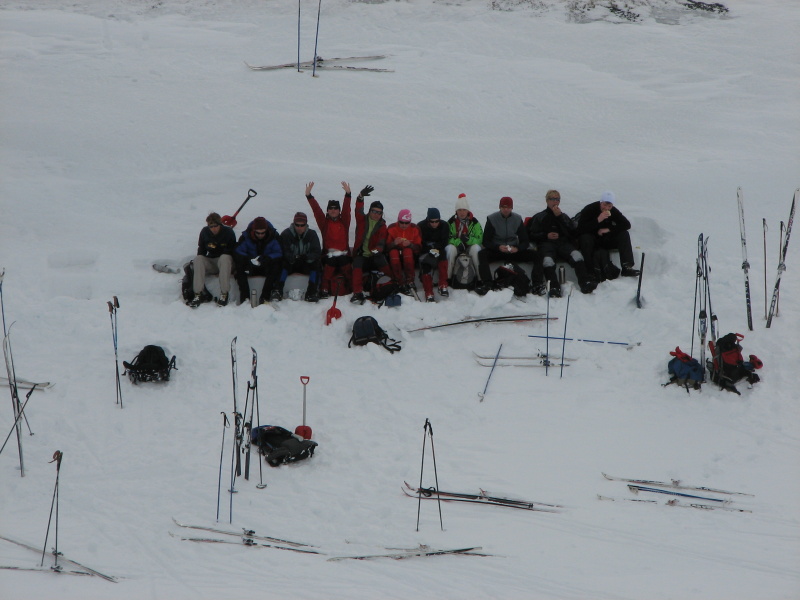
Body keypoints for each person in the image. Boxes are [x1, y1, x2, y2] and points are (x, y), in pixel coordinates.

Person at [527, 190, 598, 296]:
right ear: (547, 201)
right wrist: (546, 235)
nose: (555, 202)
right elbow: (530, 234)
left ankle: (585, 282)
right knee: (547, 261)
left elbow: (574, 232)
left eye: (557, 199)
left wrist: (560, 217)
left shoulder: (563, 216)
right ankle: (554, 287)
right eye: (552, 199)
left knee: (577, 255)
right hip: (546, 244)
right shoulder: (539, 217)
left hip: (563, 243)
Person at [482, 196, 545, 297]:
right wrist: (498, 247)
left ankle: (537, 284)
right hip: (498, 250)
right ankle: (487, 283)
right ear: (500, 207)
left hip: (513, 250)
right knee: (482, 255)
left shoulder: (517, 219)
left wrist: (518, 248)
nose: (506, 209)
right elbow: (485, 241)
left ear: (512, 208)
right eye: (503, 207)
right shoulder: (492, 219)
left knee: (537, 255)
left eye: (508, 207)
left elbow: (525, 241)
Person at [576, 191, 640, 280]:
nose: (606, 208)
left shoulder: (613, 211)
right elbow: (580, 229)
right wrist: (598, 220)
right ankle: (590, 271)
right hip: (591, 240)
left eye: (609, 206)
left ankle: (627, 267)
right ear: (601, 202)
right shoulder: (590, 209)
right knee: (585, 238)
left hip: (606, 239)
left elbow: (626, 224)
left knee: (624, 234)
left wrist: (609, 229)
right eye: (604, 205)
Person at [305, 181, 352, 298]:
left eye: (335, 208)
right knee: (330, 263)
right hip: (329, 255)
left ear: (339, 211)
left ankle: (351, 287)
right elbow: (316, 211)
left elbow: (347, 210)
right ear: (327, 210)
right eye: (330, 209)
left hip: (343, 254)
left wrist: (348, 195)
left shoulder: (344, 222)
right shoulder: (324, 223)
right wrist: (309, 196)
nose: (333, 210)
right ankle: (324, 288)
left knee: (345, 263)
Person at [350, 185, 392, 304]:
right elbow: (358, 209)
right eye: (374, 211)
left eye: (379, 212)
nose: (376, 214)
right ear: (369, 211)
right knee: (357, 264)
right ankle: (357, 292)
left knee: (382, 259)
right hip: (361, 254)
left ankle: (391, 282)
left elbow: (382, 241)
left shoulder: (382, 226)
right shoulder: (362, 220)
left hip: (374, 256)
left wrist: (377, 250)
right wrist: (360, 196)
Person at [445, 193, 491, 295]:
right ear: (456, 211)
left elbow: (479, 239)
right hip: (456, 247)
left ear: (468, 211)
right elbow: (447, 237)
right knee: (450, 249)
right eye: (459, 210)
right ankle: (447, 279)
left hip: (469, 247)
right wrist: (458, 242)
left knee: (476, 249)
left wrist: (468, 240)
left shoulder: (474, 223)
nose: (462, 212)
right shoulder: (451, 222)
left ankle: (480, 279)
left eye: (464, 210)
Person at [189, 212, 237, 308]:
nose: (213, 229)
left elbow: (232, 250)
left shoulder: (228, 232)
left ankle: (224, 294)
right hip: (212, 261)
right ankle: (198, 294)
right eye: (211, 227)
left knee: (224, 257)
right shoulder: (204, 232)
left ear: (220, 224)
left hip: (225, 262)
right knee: (198, 259)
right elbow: (201, 249)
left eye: (215, 226)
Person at [233, 216, 283, 305]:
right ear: (253, 230)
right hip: (251, 266)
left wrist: (268, 258)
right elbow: (238, 251)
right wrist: (248, 259)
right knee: (239, 267)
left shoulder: (273, 236)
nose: (260, 235)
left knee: (276, 266)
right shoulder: (246, 236)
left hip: (266, 265)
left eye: (263, 233)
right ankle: (245, 298)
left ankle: (265, 297)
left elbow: (279, 252)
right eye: (258, 233)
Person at [275, 212, 323, 302]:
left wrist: (306, 257)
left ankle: (312, 292)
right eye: (297, 225)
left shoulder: (312, 234)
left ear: (306, 224)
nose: (299, 228)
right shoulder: (286, 234)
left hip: (305, 262)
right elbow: (284, 251)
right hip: (291, 263)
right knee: (281, 264)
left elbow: (317, 252)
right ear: (293, 224)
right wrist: (294, 257)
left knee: (316, 265)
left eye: (302, 225)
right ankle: (277, 290)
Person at [386, 209, 422, 295]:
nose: (404, 225)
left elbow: (419, 248)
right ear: (398, 220)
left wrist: (410, 245)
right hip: (394, 256)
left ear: (410, 222)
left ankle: (410, 280)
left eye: (406, 223)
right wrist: (394, 243)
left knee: (407, 251)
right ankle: (399, 281)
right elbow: (385, 248)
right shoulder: (392, 228)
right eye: (401, 222)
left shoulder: (415, 229)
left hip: (410, 256)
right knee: (393, 252)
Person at [417, 207, 450, 302]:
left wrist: (435, 248)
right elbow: (420, 243)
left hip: (439, 249)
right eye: (432, 222)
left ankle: (443, 284)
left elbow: (444, 241)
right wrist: (429, 249)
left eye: (437, 221)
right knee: (425, 263)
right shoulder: (421, 226)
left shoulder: (444, 225)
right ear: (428, 220)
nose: (434, 224)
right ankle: (428, 292)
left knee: (443, 255)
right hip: (425, 251)